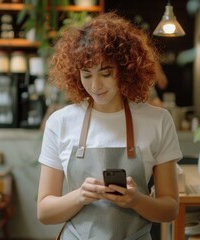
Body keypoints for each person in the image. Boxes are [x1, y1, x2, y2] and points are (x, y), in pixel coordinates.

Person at [37, 12, 183, 240]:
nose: (95, 86)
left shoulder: (158, 121)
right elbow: (44, 213)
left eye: (106, 73)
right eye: (86, 75)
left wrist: (137, 200)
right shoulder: (60, 122)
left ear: (126, 69)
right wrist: (79, 196)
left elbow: (170, 209)